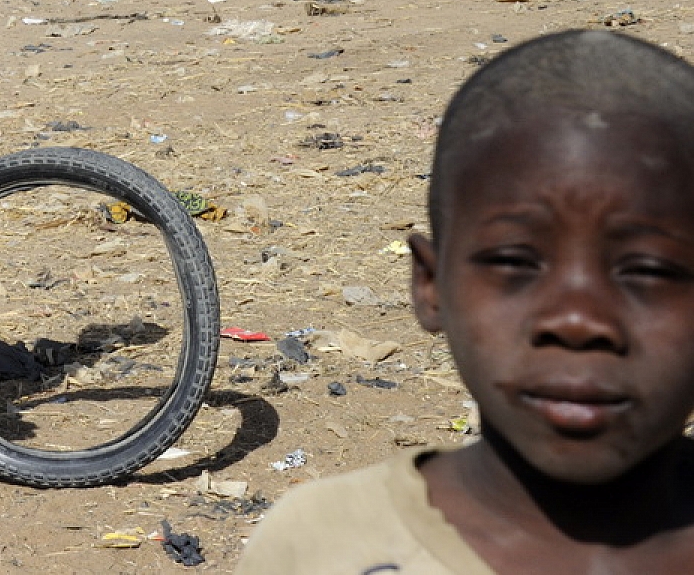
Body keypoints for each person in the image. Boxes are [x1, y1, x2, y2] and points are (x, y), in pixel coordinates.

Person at [235, 29, 694, 574]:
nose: (577, 321)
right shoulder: (322, 545)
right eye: (513, 263)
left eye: (648, 270)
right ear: (430, 286)